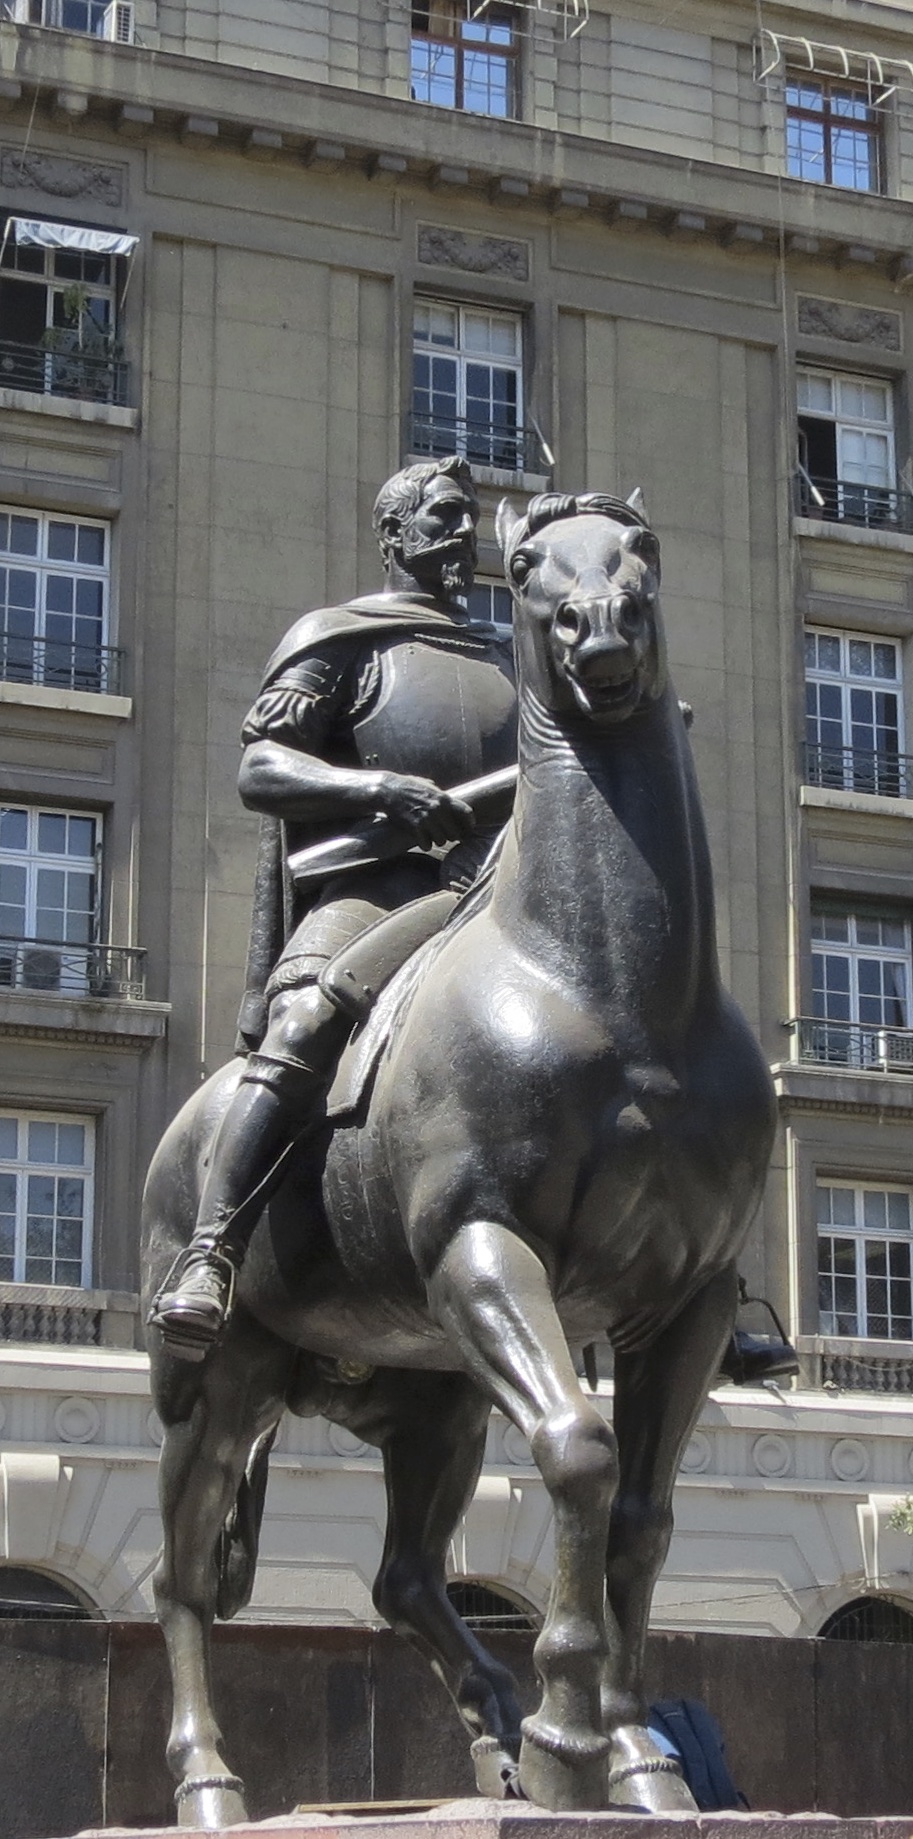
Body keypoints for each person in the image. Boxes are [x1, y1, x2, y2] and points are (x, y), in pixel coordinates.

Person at [149, 455, 518, 1357]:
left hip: (499, 894)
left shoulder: (514, 654)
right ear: (393, 533)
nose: (462, 533)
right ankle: (211, 1250)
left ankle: (697, 1289)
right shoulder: (342, 638)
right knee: (308, 1021)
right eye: (442, 515)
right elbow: (262, 767)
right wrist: (379, 789)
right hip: (381, 889)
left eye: (469, 518)